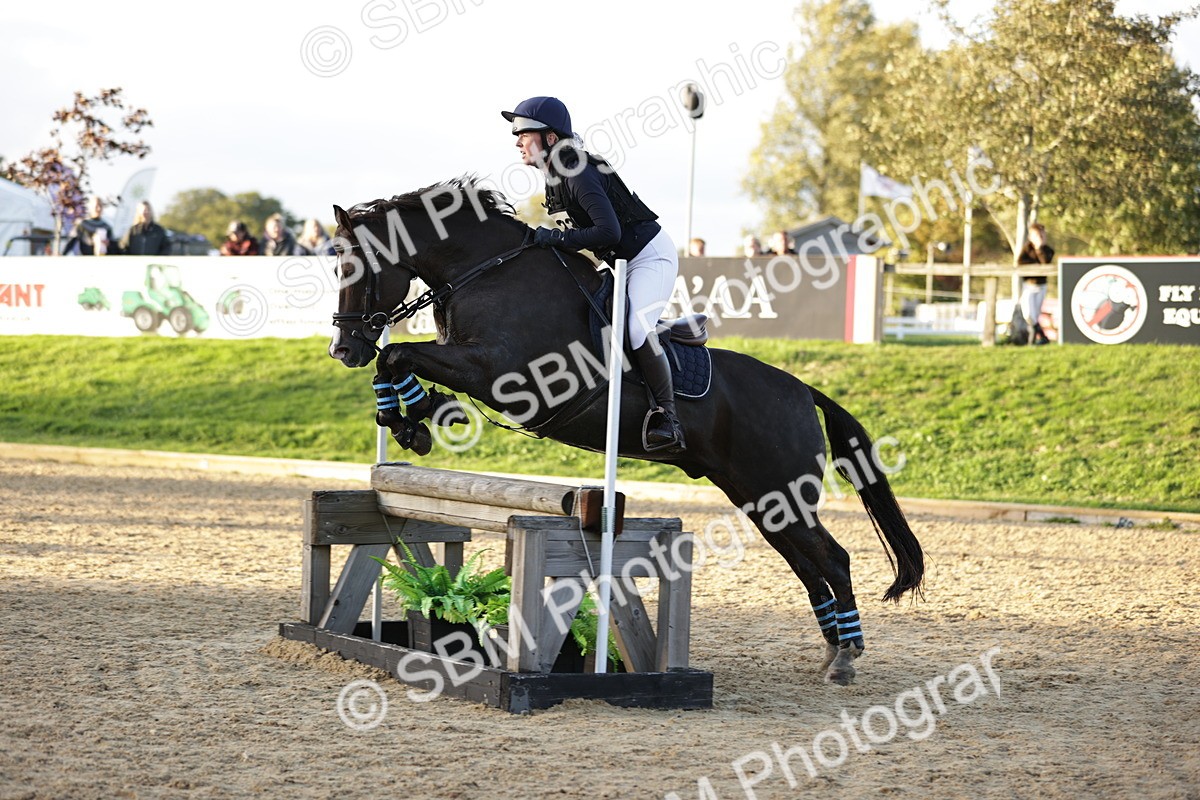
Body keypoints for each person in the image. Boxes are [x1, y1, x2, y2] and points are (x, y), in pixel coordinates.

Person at [502, 95, 685, 453]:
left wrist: (554, 238)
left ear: (550, 138)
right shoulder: (555, 176)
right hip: (617, 262)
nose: (518, 142)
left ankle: (668, 417)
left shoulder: (578, 171)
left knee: (636, 330)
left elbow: (608, 232)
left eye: (523, 133)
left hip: (649, 257)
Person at [1017, 222, 1054, 345]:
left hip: (1041, 286)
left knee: (1035, 315)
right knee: (1029, 314)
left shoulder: (1048, 250)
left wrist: (1039, 249)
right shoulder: (1027, 249)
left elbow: (1045, 262)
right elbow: (1020, 263)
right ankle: (1043, 337)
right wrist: (1034, 265)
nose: (1040, 238)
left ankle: (1032, 342)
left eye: (1041, 235)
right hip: (1029, 285)